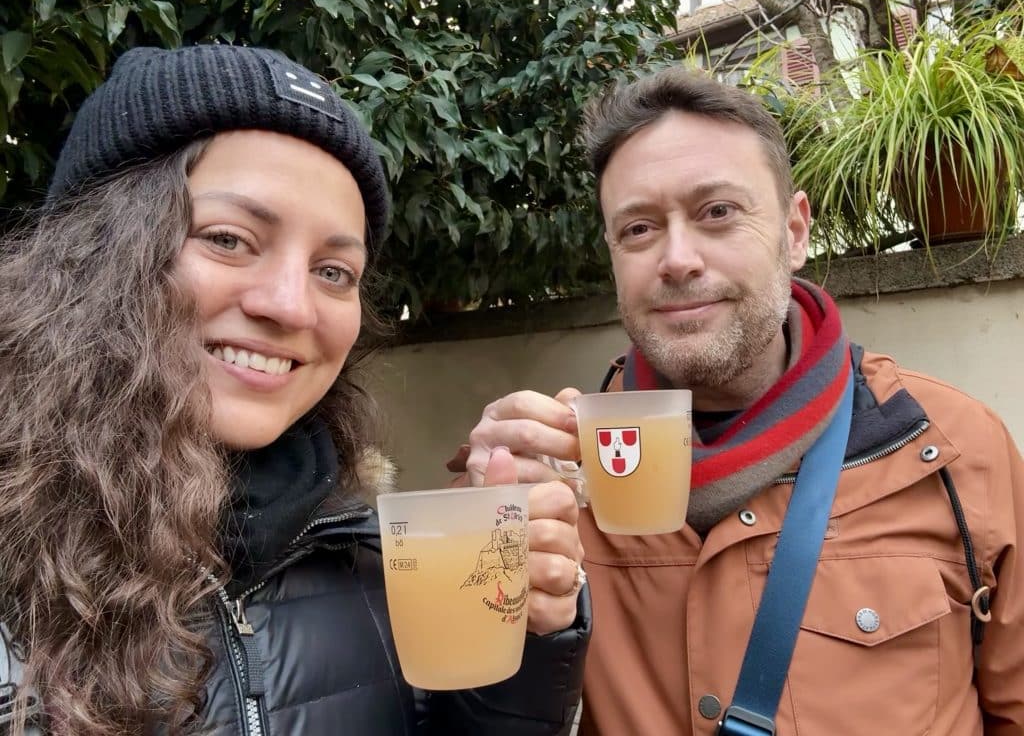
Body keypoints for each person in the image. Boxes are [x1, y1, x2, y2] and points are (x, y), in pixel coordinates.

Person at [0, 44, 590, 736]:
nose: (291, 306)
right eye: (229, 239)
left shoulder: (366, 554)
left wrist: (520, 643)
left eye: (333, 271)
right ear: (89, 252)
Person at [454, 67, 1024, 735]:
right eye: (638, 228)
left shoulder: (954, 451)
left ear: (795, 231)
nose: (677, 259)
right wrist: (482, 546)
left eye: (717, 212)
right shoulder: (555, 482)